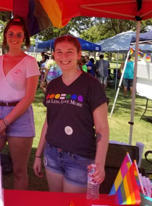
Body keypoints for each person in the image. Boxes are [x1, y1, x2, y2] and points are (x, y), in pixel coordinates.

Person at [33, 35, 109, 193]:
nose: (64, 57)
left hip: (80, 158)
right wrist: (38, 155)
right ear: (54, 55)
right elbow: (48, 122)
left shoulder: (92, 85)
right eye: (59, 52)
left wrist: (100, 163)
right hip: (52, 153)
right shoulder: (52, 85)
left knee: (73, 203)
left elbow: (102, 127)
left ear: (78, 55)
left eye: (69, 52)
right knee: (56, 202)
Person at [0, 17, 40, 190]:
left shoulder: (30, 62)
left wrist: (6, 121)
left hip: (20, 116)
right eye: (11, 34)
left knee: (19, 171)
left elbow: (29, 97)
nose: (14, 38)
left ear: (24, 37)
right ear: (5, 36)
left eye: (19, 34)